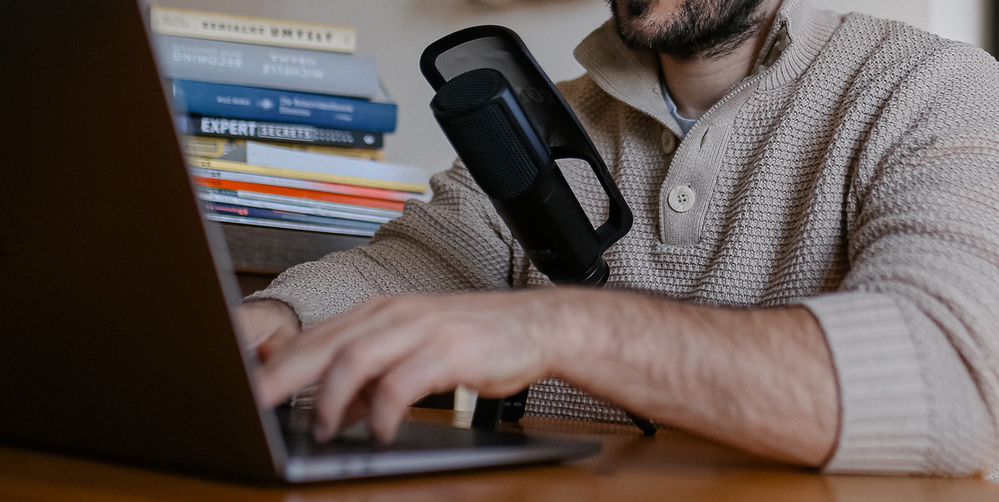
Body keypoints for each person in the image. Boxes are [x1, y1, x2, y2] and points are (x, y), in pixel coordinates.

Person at [236, 0, 999, 477]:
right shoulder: (549, 114)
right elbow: (421, 262)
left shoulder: (939, 88)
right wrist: (277, 321)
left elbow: (951, 382)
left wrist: (557, 327)